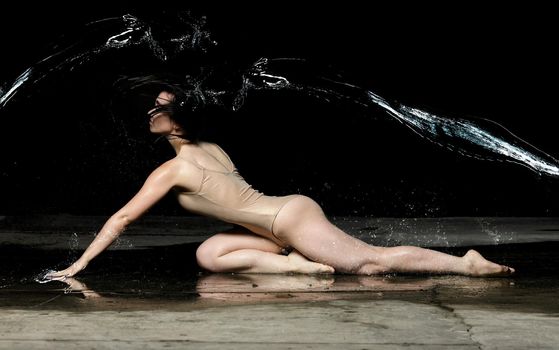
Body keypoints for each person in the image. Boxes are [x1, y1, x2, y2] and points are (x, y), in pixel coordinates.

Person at [46, 83, 515, 280]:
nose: (150, 112)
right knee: (209, 254)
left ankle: (464, 264)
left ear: (176, 119)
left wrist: (78, 266)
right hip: (276, 222)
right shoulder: (210, 148)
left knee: (369, 265)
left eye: (159, 108)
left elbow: (122, 218)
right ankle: (299, 267)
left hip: (287, 218)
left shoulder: (174, 170)